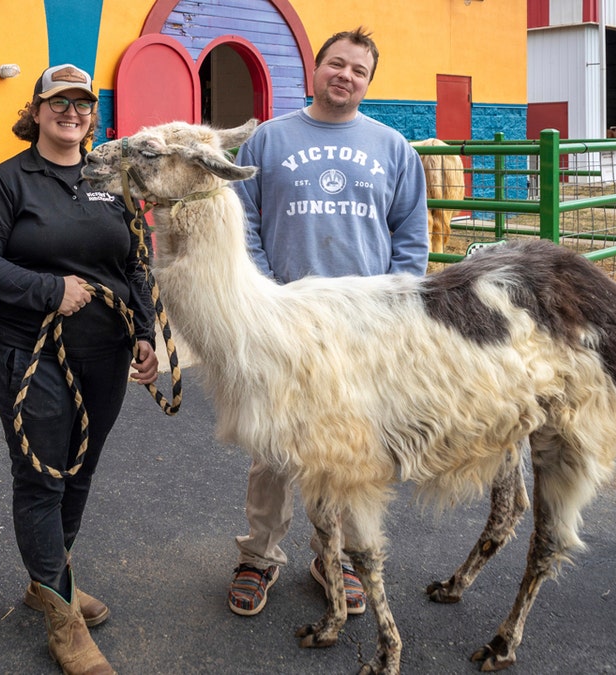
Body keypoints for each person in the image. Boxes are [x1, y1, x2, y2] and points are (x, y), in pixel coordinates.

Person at [227, 27, 430, 618]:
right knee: (272, 446)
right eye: (335, 64)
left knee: (348, 447)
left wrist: (393, 310)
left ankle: (333, 555)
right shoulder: (268, 140)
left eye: (358, 70)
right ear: (316, 70)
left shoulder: (394, 148)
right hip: (283, 321)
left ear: (368, 82)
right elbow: (244, 224)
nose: (345, 75)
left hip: (361, 328)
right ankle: (259, 555)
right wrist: (267, 296)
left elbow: (410, 239)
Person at [0, 64, 158, 675]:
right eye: (59, 102)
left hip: (107, 352)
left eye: (82, 104)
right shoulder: (9, 181)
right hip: (32, 353)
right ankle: (62, 616)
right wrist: (49, 289)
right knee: (42, 475)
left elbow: (137, 264)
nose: (71, 113)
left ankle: (50, 578)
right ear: (37, 110)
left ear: (92, 115)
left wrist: (147, 333)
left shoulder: (111, 181)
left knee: (79, 470)